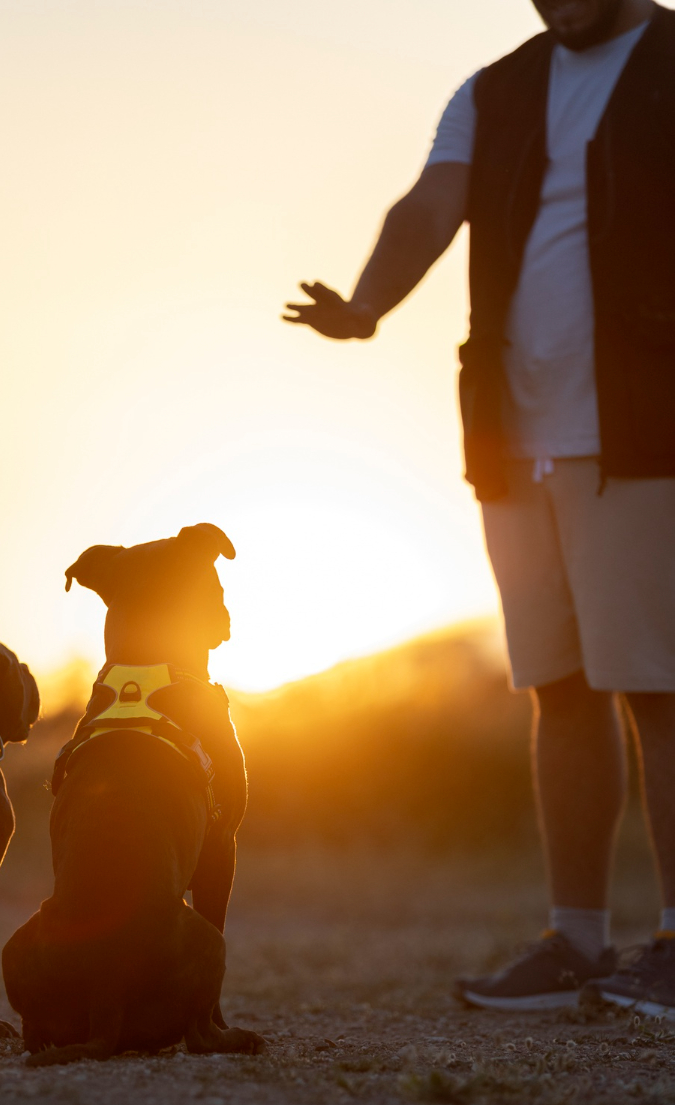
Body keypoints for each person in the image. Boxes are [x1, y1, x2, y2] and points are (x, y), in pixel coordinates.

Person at [284, 0, 675, 1015]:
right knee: (560, 688)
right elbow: (427, 208)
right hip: (514, 439)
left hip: (645, 434)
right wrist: (367, 304)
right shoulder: (493, 90)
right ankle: (577, 942)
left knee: (660, 690)